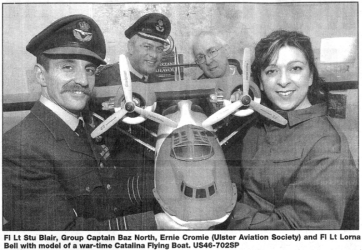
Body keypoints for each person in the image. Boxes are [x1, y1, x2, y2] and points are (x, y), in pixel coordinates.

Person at [2, 14, 184, 230]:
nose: (82, 80)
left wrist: (169, 184)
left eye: (89, 69)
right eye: (67, 67)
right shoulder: (19, 148)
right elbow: (62, 237)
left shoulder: (82, 126)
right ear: (41, 75)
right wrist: (154, 223)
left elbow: (107, 194)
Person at [227, 30, 359, 229]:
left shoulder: (327, 145)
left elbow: (300, 233)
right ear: (260, 82)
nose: (283, 80)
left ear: (311, 76)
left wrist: (222, 213)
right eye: (271, 71)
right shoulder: (257, 126)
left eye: (295, 68)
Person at [95, 12, 171, 86]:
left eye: (159, 49)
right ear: (131, 47)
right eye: (147, 47)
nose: (154, 55)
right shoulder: (106, 78)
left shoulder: (158, 83)